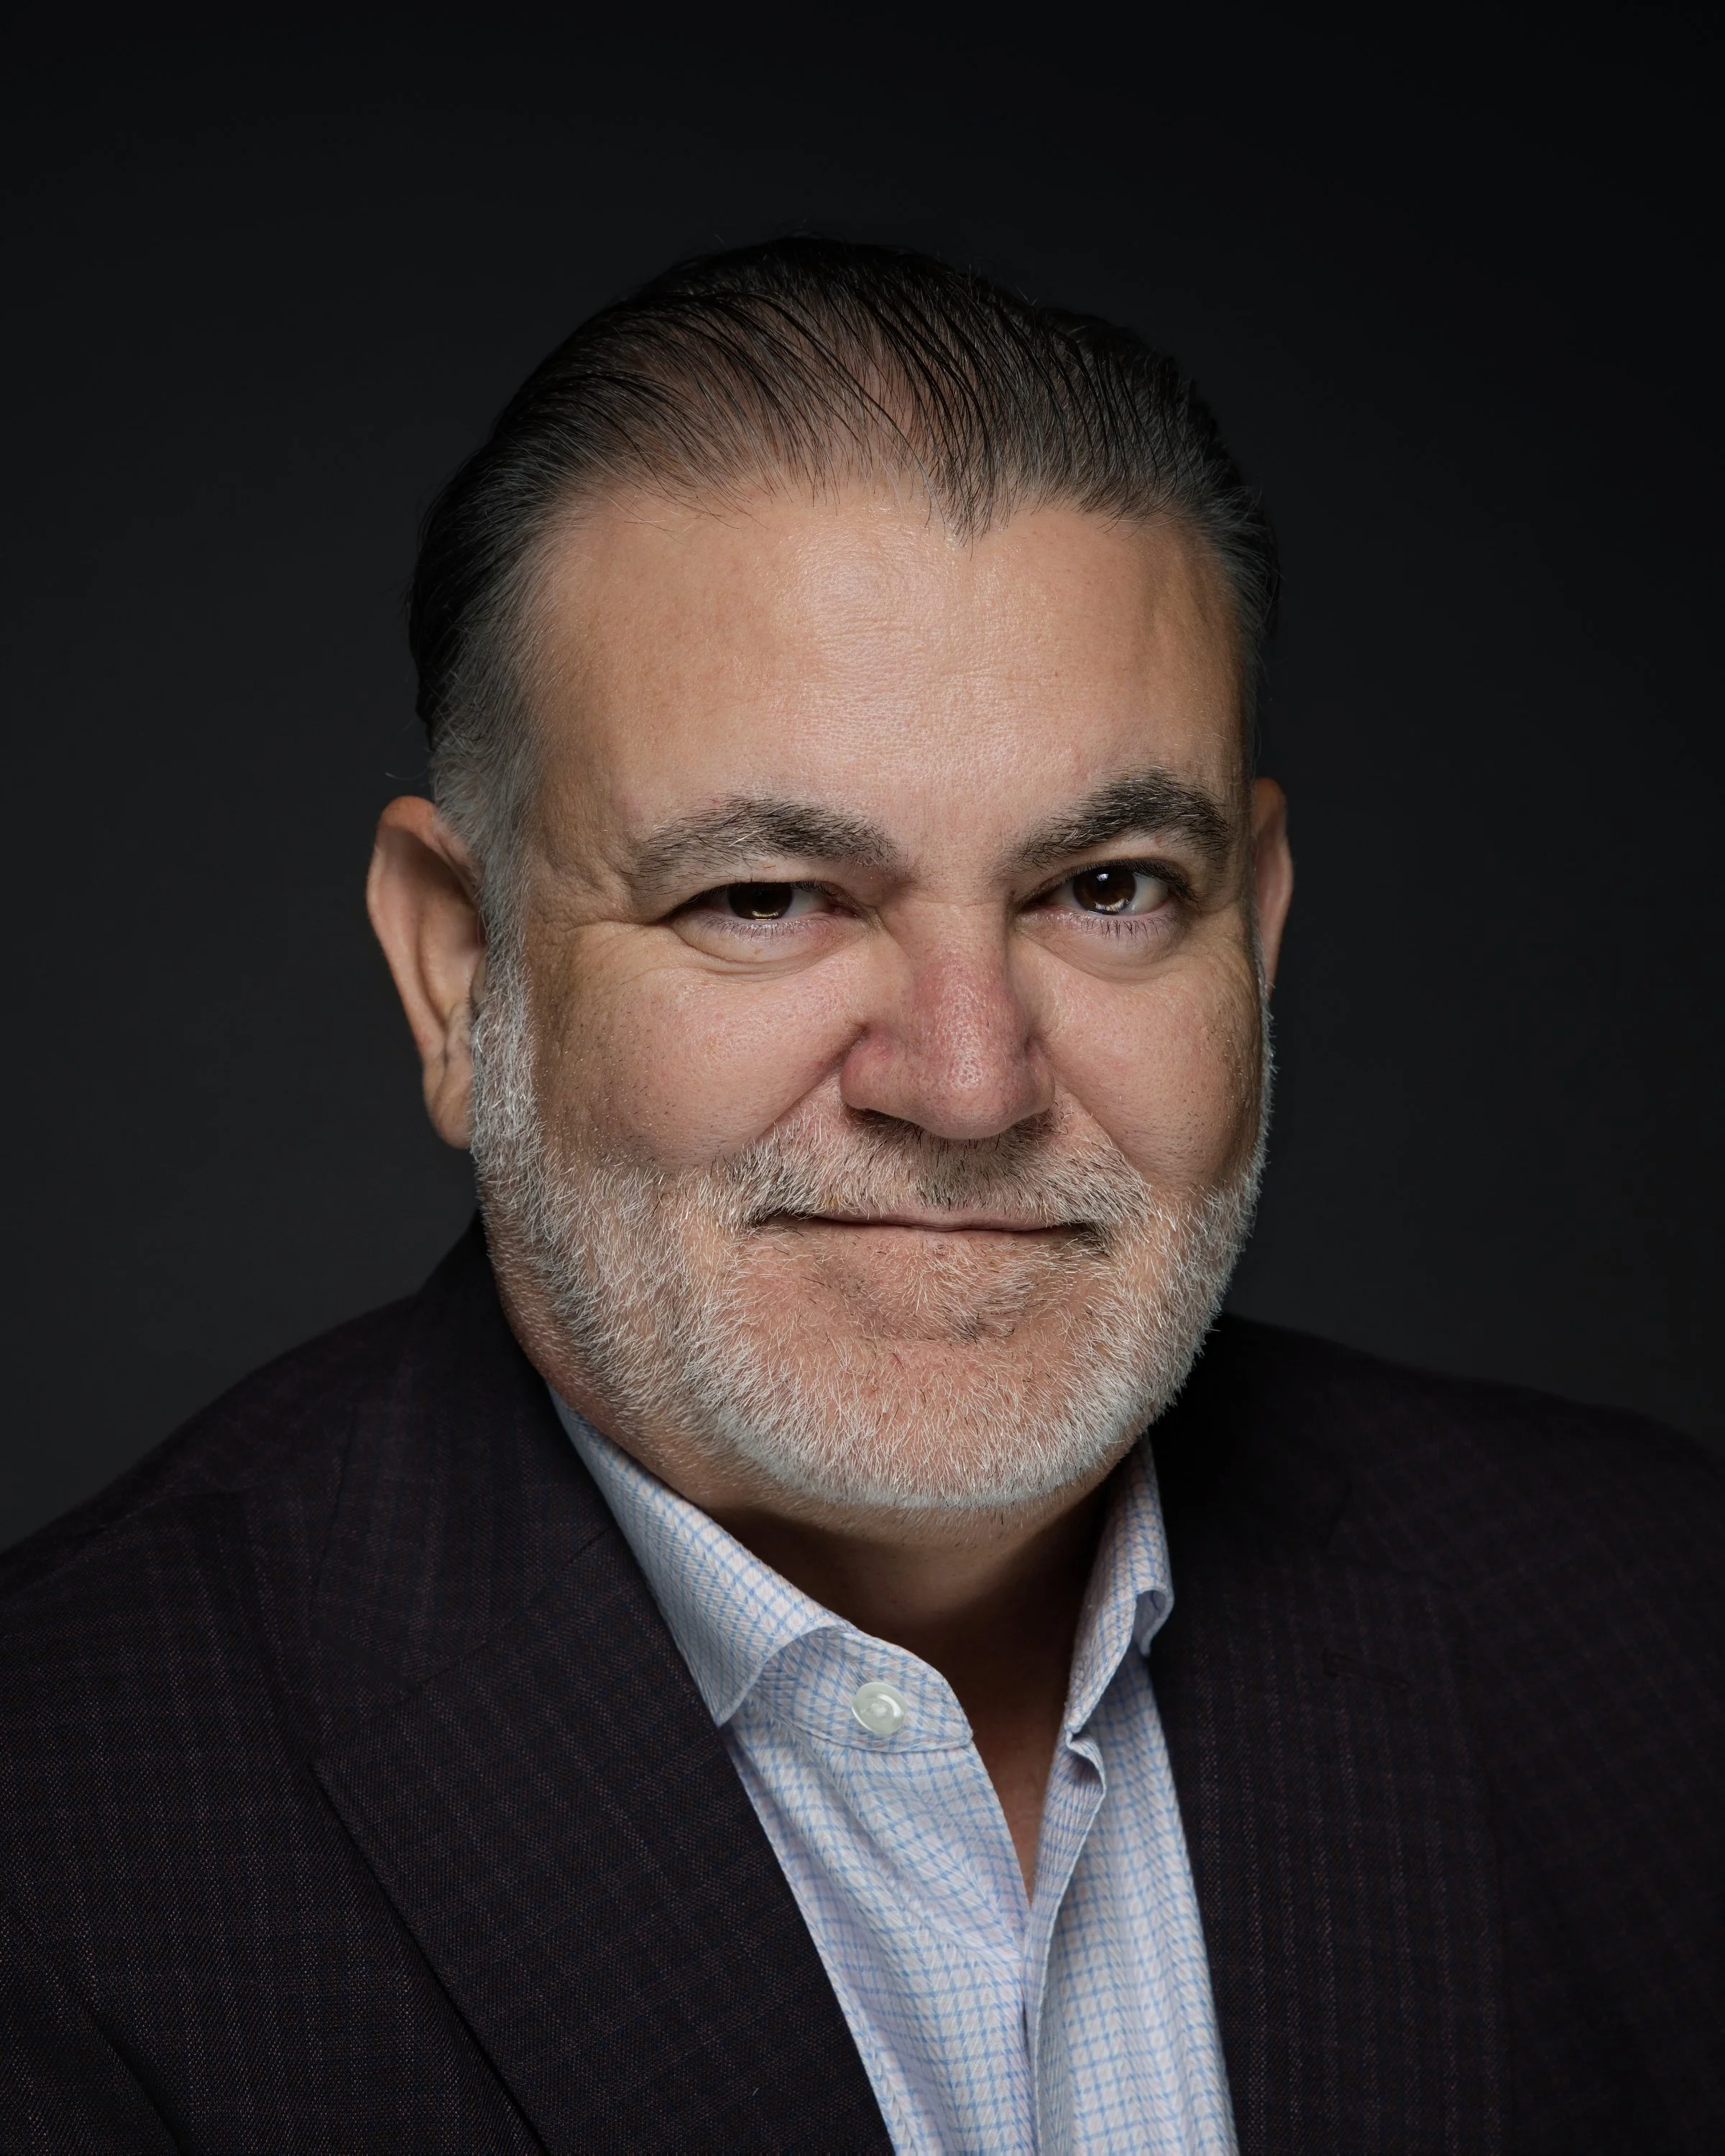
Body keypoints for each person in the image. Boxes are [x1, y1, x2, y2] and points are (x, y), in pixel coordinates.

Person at [0, 238, 1719, 2155]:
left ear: (1259, 929)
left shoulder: (1665, 1644)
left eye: (1111, 887)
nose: (969, 1084)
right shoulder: (62, 1846)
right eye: (765, 898)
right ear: (458, 972)